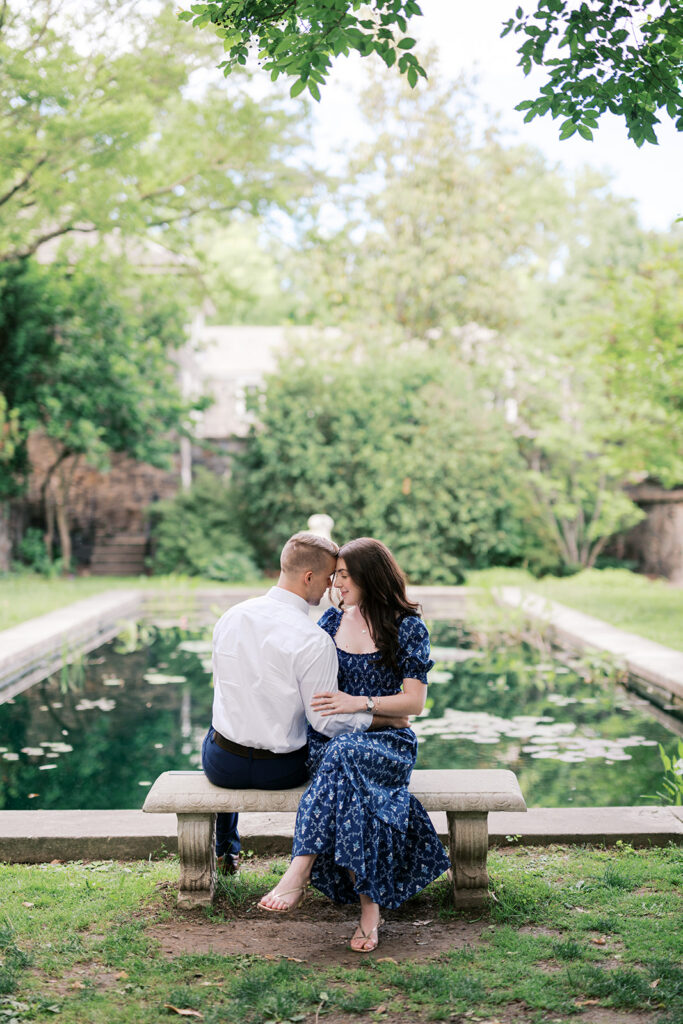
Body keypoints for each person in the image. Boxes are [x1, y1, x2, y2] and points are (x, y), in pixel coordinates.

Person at [258, 537, 451, 952]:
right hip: (334, 743)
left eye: (343, 575)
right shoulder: (329, 623)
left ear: (368, 577)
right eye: (334, 575)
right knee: (350, 781)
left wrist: (359, 703)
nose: (336, 583)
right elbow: (318, 700)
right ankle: (370, 910)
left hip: (388, 745)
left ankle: (300, 868)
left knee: (345, 755)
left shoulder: (407, 627)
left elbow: (414, 704)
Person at [201, 531, 405, 874]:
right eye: (329, 579)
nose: (332, 589)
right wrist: (383, 719)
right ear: (308, 577)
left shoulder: (231, 617)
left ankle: (225, 847)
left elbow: (222, 686)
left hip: (222, 765)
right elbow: (327, 721)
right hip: (281, 770)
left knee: (220, 728)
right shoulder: (313, 640)